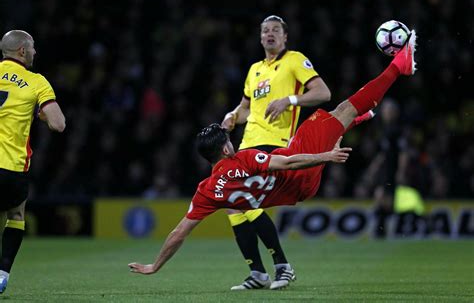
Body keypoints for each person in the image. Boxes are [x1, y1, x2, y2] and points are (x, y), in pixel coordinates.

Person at [128, 30, 417, 283]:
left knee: (333, 118)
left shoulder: (207, 191)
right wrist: (326, 155)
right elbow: (289, 162)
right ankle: (398, 67)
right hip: (299, 171)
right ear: (227, 149)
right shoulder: (245, 158)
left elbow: (180, 232)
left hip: (296, 186)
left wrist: (155, 266)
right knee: (345, 109)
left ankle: (353, 119)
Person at [220, 15, 332, 290]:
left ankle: (282, 266)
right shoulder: (254, 69)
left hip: (276, 143)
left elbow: (323, 93)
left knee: (247, 200)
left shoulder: (294, 60)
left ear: (285, 37)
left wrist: (290, 100)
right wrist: (233, 115)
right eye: (265, 31)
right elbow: (246, 108)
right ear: (260, 38)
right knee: (234, 205)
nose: (270, 34)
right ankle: (258, 272)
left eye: (275, 31)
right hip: (247, 145)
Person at [0, 30, 66, 293]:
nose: (36, 52)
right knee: (15, 214)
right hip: (12, 166)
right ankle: (2, 274)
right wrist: (38, 113)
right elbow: (58, 124)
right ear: (22, 51)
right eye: (33, 48)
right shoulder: (36, 81)